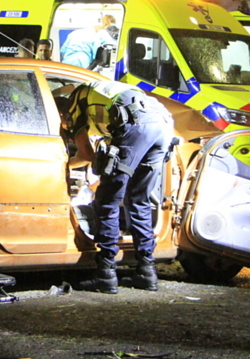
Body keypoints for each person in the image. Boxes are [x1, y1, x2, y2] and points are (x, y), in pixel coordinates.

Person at [58, 80, 174, 293]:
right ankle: (147, 273)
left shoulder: (74, 105)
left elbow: (85, 154)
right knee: (139, 200)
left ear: (61, 113)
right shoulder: (97, 94)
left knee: (107, 200)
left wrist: (62, 165)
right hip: (163, 124)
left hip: (136, 124)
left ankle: (106, 275)